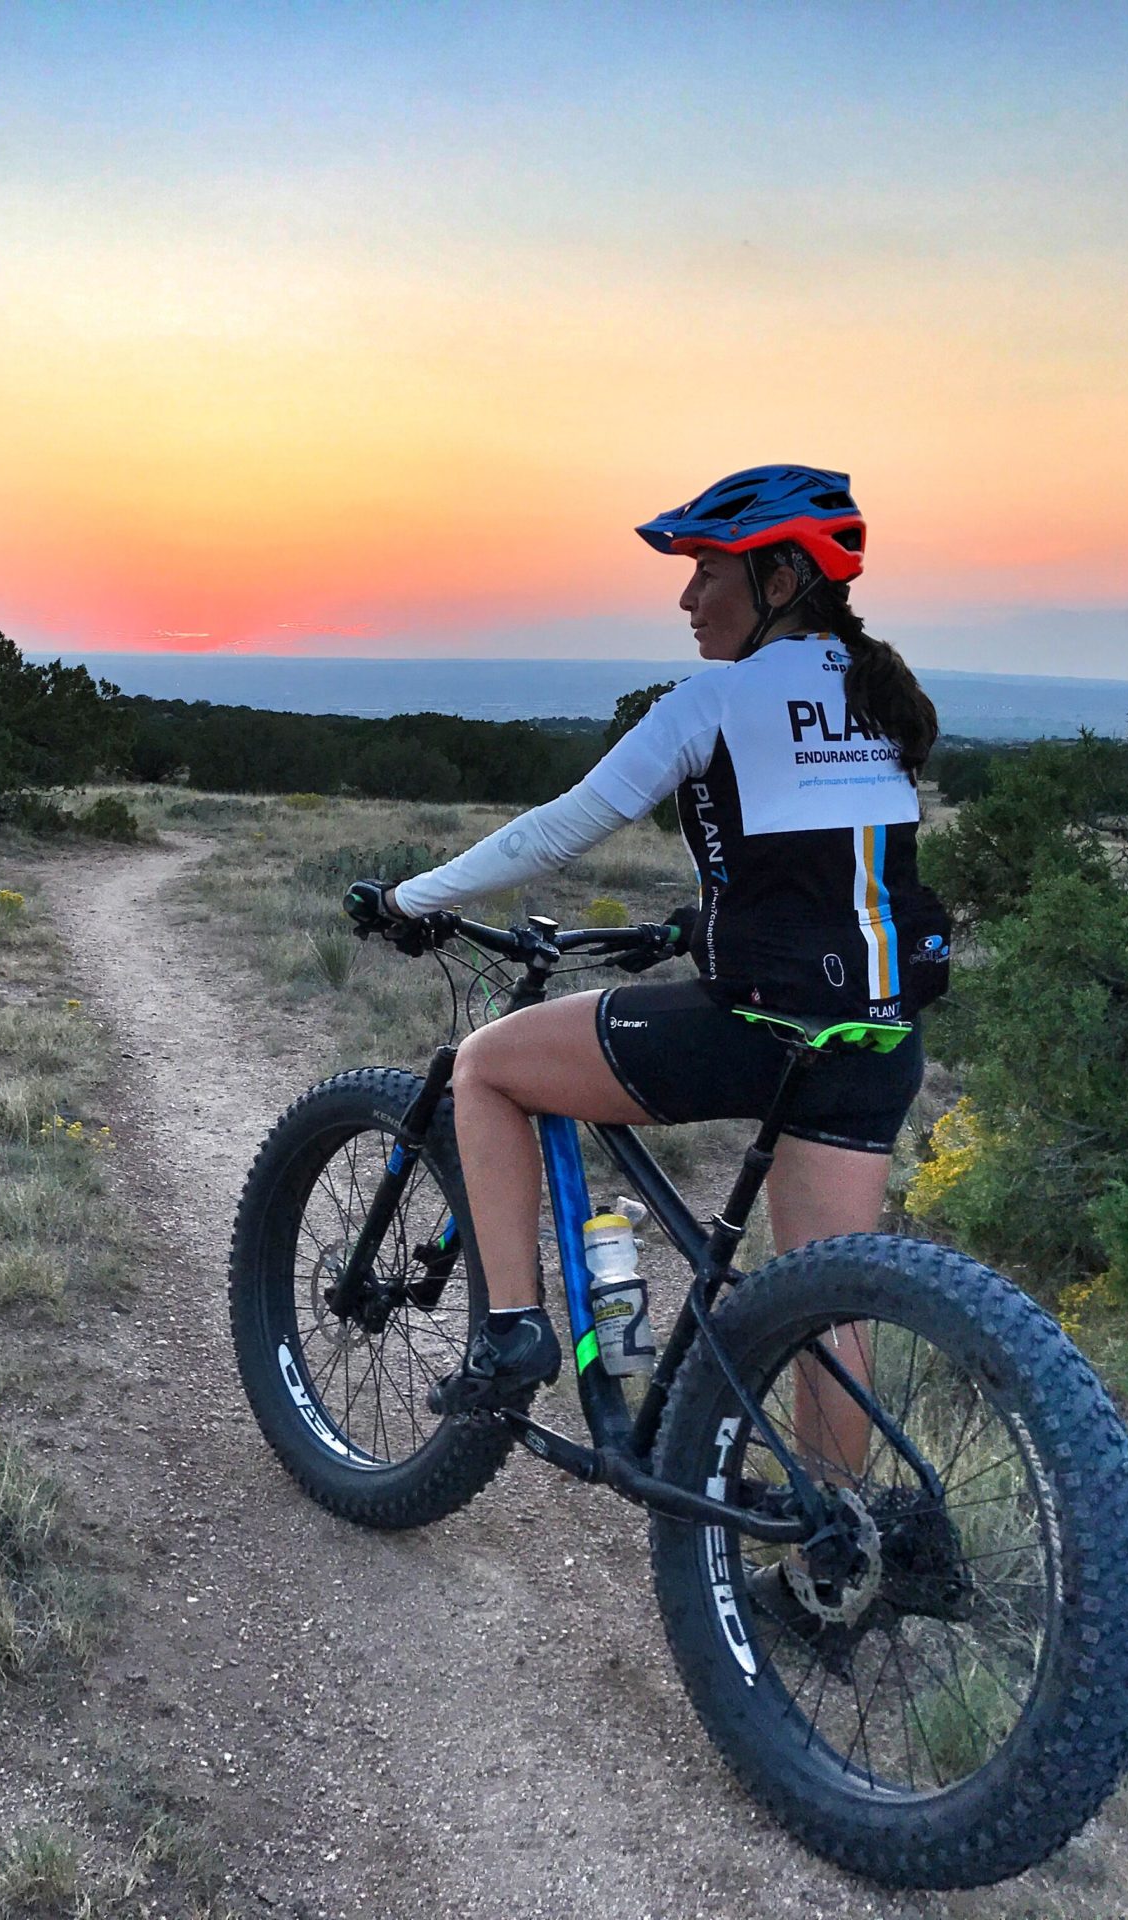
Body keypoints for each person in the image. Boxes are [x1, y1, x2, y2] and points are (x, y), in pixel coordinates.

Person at [363, 464, 951, 1433]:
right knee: (825, 1313)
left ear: (777, 580)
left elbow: (552, 834)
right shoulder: (880, 701)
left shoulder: (712, 701)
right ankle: (834, 1558)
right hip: (880, 1040)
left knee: (485, 1067)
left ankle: (509, 1336)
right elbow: (819, 862)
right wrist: (696, 923)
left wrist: (406, 896)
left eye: (707, 572)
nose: (685, 598)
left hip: (758, 1030)